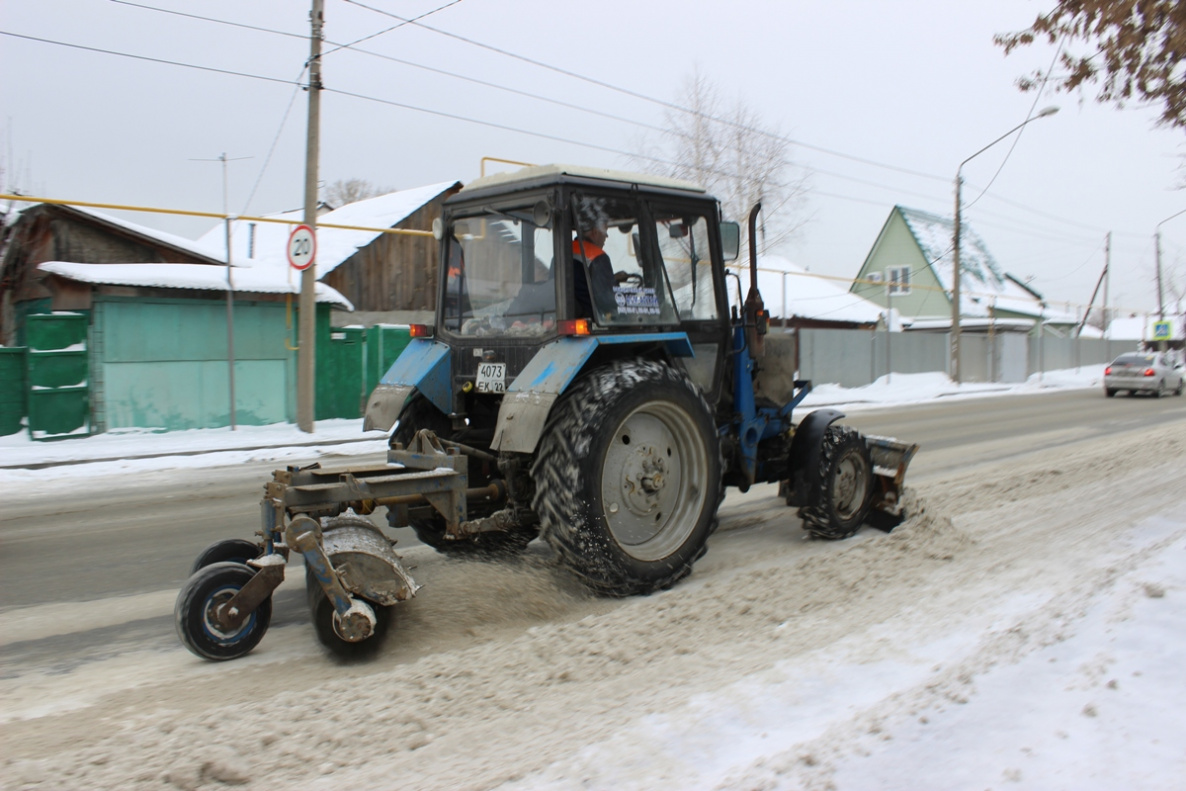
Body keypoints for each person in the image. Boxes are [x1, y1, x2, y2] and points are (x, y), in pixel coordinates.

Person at [572, 221, 618, 319]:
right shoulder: (597, 256)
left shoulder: (561, 255)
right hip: (593, 321)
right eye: (605, 232)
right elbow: (607, 300)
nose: (606, 237)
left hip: (573, 317)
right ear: (595, 232)